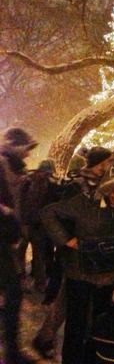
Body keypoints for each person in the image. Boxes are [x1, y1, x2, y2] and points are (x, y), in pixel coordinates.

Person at [41, 175, 114, 364]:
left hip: (108, 273)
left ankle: (93, 357)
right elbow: (48, 213)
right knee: (76, 321)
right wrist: (66, 240)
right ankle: (72, 359)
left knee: (100, 320)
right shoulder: (83, 202)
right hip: (80, 272)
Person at [32, 146, 114, 359]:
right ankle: (69, 353)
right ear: (98, 163)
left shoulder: (105, 186)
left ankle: (47, 340)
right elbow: (54, 215)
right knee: (76, 312)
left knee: (73, 306)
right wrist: (67, 240)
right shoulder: (76, 187)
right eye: (107, 162)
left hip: (95, 258)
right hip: (77, 259)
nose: (110, 166)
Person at [0, 127, 39, 364]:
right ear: (15, 146)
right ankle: (12, 352)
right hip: (0, 239)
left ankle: (12, 349)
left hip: (6, 240)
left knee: (12, 292)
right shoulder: (2, 165)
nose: (28, 155)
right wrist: (6, 213)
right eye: (26, 149)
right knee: (13, 292)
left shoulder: (15, 168)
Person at [15, 158, 59, 293]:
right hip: (36, 225)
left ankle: (22, 279)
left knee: (23, 252)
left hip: (27, 223)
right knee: (36, 254)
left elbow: (18, 200)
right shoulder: (49, 183)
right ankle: (38, 284)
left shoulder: (27, 180)